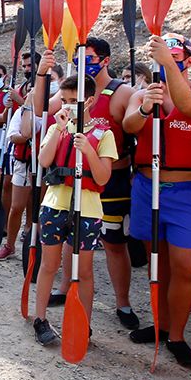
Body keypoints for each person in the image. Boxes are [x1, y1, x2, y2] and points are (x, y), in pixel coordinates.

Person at [121, 33, 191, 367]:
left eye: (176, 56)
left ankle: (177, 336)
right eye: (164, 55)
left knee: (185, 266)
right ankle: (161, 326)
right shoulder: (142, 93)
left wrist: (168, 65)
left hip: (187, 192)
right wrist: (147, 106)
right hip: (146, 186)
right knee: (158, 263)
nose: (169, 60)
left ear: (187, 61)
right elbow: (129, 124)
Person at [30, 74, 117, 346]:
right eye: (63, 100)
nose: (65, 106)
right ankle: (40, 318)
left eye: (71, 101)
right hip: (55, 204)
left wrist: (88, 149)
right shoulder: (57, 127)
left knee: (85, 271)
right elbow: (44, 160)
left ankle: (84, 322)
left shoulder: (104, 134)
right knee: (49, 264)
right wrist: (57, 129)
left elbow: (102, 177)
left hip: (88, 210)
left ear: (88, 100)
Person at [66, 37, 138, 329]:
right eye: (78, 60)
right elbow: (41, 108)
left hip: (113, 180)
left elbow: (135, 127)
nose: (82, 65)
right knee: (70, 239)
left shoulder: (123, 92)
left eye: (89, 59)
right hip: (75, 179)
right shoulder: (73, 91)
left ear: (105, 60)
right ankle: (63, 288)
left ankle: (123, 302)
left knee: (113, 244)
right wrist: (44, 74)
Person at [0, 67, 60, 261]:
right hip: (24, 163)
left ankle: (42, 248)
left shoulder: (59, 109)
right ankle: (10, 245)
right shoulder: (23, 111)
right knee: (17, 207)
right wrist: (28, 104)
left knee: (42, 208)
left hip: (48, 166)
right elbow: (20, 135)